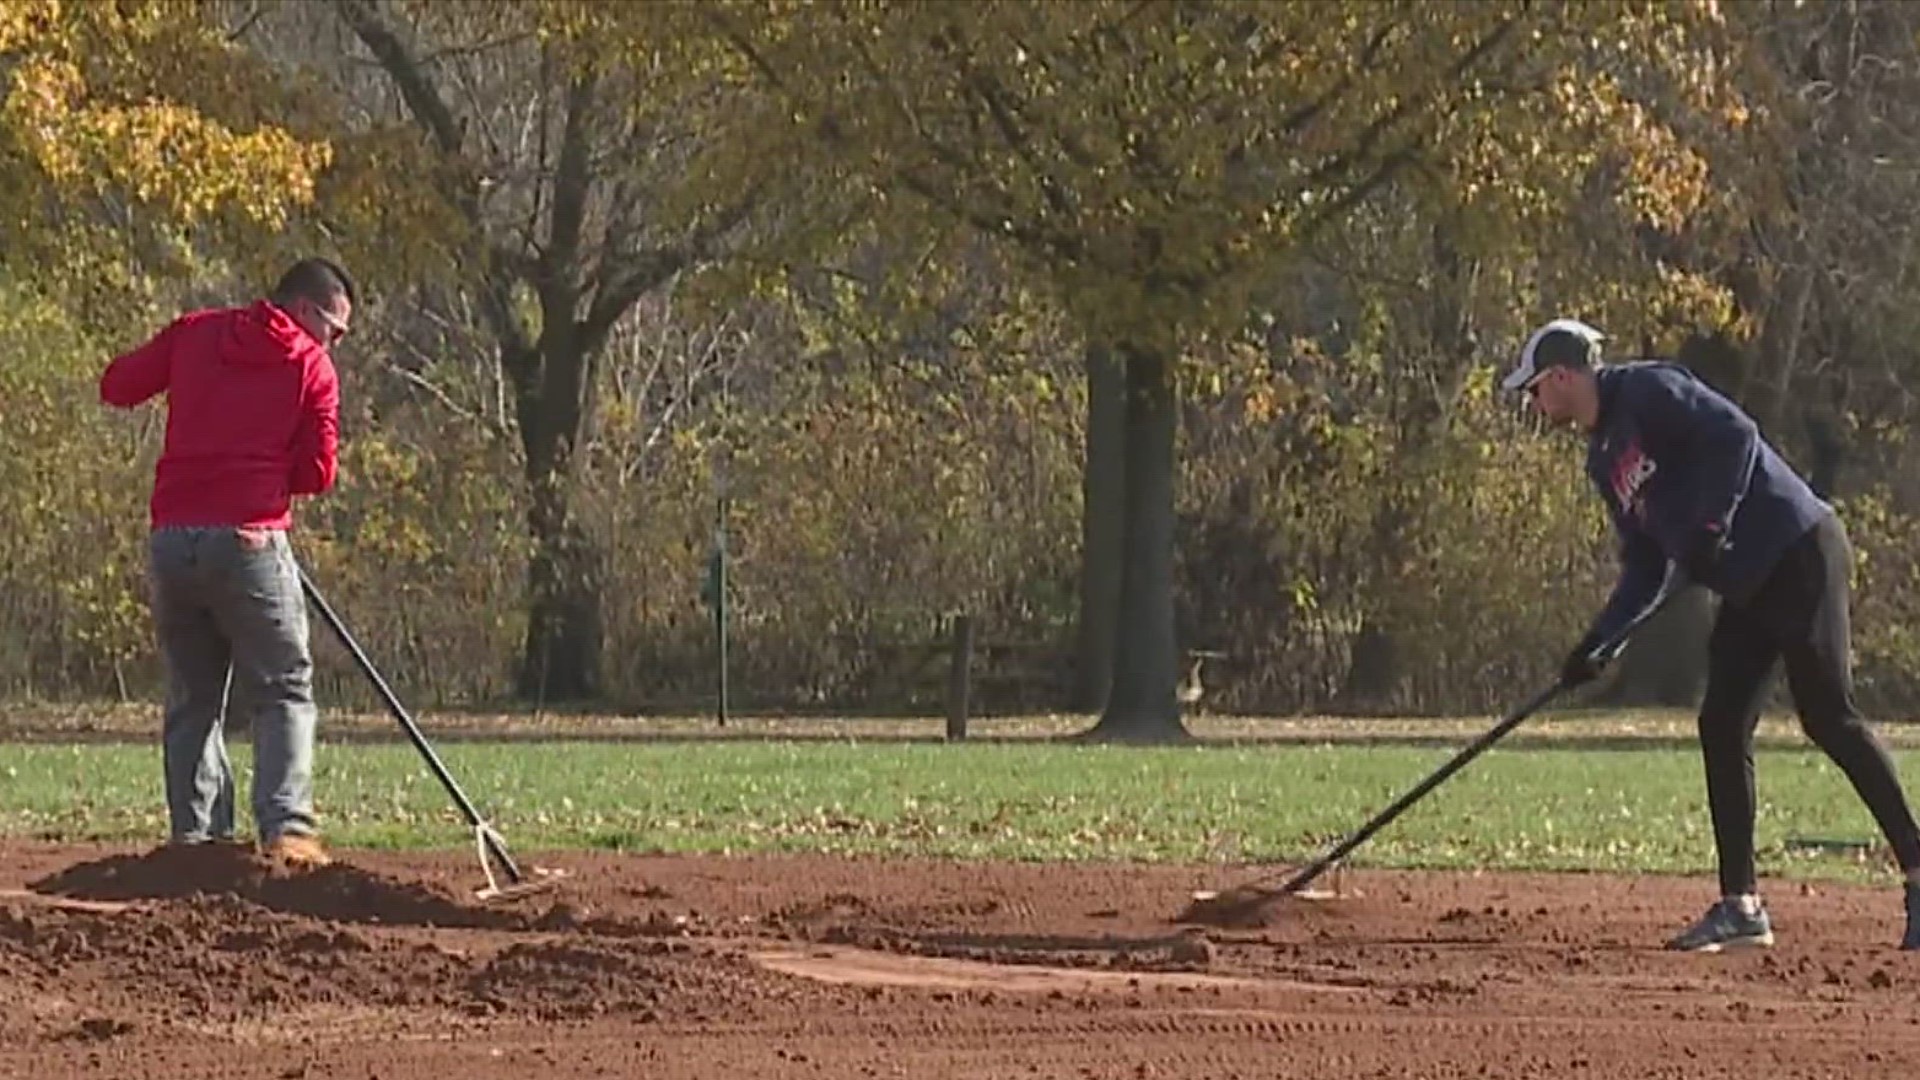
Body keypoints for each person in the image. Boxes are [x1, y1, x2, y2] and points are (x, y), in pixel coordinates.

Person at [1505, 317, 1920, 952]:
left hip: (1799, 550)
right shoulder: (1603, 457)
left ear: (1561, 377)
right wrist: (1597, 644)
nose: (1533, 404)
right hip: (1749, 583)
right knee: (1722, 721)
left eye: (1534, 391)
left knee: (1829, 717)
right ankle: (1742, 906)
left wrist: (1710, 523)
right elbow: (1645, 567)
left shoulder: (1647, 391)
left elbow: (1736, 435)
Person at [99, 258, 354, 869]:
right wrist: (267, 475)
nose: (335, 344)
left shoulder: (194, 333)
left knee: (194, 695)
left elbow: (117, 385)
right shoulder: (309, 365)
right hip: (250, 540)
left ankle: (199, 841)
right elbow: (319, 473)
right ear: (304, 309)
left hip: (173, 539)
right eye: (335, 330)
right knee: (284, 687)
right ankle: (288, 832)